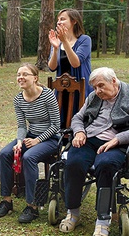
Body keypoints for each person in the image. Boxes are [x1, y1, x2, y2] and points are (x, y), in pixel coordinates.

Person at [59, 67, 129, 236]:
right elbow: (77, 117)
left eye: (100, 86)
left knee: (105, 165)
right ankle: (73, 212)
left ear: (113, 80)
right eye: (95, 87)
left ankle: (103, 220)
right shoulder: (93, 97)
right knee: (74, 163)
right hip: (90, 140)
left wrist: (118, 139)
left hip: (117, 143)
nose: (97, 91)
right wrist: (80, 131)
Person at [0, 63, 60, 223]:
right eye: (18, 75)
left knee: (28, 157)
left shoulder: (48, 95)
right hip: (30, 136)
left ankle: (32, 206)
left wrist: (38, 140)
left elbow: (57, 125)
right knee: (4, 154)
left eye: (25, 74)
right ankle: (7, 200)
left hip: (51, 139)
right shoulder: (18, 99)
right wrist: (19, 141)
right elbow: (22, 126)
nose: (20, 77)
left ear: (35, 78)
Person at [48, 8, 92, 128]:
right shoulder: (58, 41)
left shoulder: (84, 40)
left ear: (74, 21)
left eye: (62, 19)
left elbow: (75, 63)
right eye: (58, 20)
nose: (59, 22)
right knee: (61, 123)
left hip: (80, 89)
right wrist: (56, 48)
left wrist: (65, 42)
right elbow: (52, 67)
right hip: (62, 90)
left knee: (78, 122)